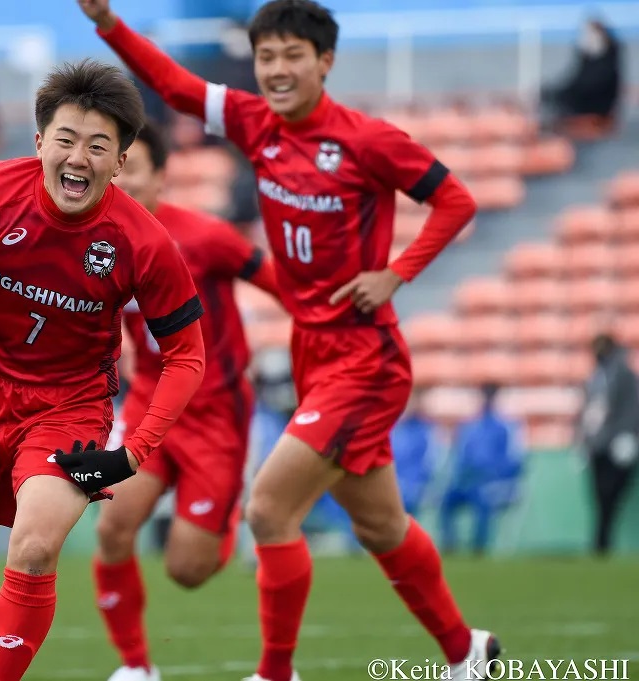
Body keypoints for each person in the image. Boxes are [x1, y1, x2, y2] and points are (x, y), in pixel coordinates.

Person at [78, 0, 499, 678]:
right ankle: (464, 651)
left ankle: (277, 672)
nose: (276, 70)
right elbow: (176, 87)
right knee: (382, 526)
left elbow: (456, 200)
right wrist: (108, 24)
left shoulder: (368, 140)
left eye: (291, 56)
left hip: (364, 359)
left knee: (270, 507)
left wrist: (396, 273)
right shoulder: (255, 124)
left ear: (324, 62)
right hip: (314, 353)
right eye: (266, 57)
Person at [0, 59, 206, 681]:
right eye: (66, 139)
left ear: (120, 161)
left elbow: (186, 356)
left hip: (69, 407)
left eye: (99, 146)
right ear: (40, 141)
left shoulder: (144, 243)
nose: (79, 158)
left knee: (35, 546)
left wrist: (133, 452)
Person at [94, 120, 278, 681]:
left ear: (159, 177)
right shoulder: (98, 246)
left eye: (133, 171)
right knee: (111, 527)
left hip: (217, 414)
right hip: (151, 406)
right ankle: (136, 668)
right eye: (114, 171)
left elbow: (280, 285)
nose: (119, 184)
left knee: (187, 570)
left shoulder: (205, 237)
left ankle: (222, 520)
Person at [439, 383, 525, 556]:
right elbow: (461, 459)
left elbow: (516, 461)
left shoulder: (508, 427)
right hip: (469, 483)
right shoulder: (469, 427)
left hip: (495, 484)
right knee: (446, 501)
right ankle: (450, 546)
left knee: (484, 499)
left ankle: (478, 549)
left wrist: (493, 476)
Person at [576, 333, 639, 556]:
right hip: (598, 446)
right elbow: (587, 412)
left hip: (617, 444)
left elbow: (630, 408)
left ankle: (602, 543)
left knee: (610, 495)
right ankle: (601, 544)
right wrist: (582, 440)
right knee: (600, 497)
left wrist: (628, 434)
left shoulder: (624, 375)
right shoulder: (595, 377)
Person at [391, 387, 440, 518]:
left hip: (415, 485)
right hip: (393, 482)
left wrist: (421, 484)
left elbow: (431, 463)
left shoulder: (427, 430)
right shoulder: (394, 429)